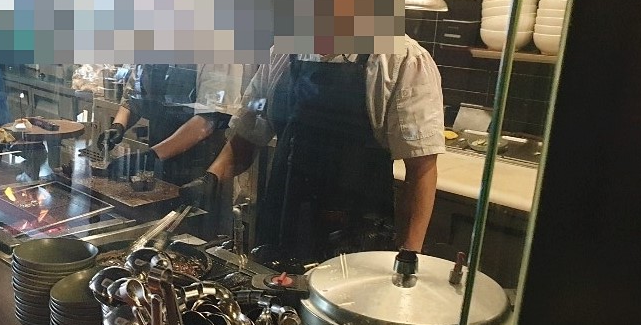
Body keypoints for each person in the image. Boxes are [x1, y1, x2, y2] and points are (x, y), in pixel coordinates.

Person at [181, 36, 444, 269]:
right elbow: (248, 133)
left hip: (356, 239)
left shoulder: (401, 58)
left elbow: (421, 168)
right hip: (281, 224)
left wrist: (408, 256)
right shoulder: (282, 52)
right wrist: (209, 181)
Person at [98, 63, 255, 187]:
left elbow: (208, 119)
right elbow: (134, 96)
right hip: (158, 160)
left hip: (201, 168)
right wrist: (118, 125)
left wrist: (151, 156)